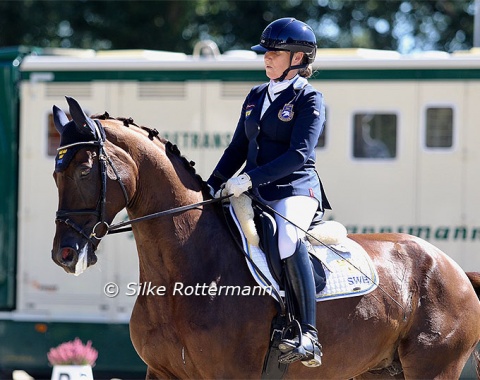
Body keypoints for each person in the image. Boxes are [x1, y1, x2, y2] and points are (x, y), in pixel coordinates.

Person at [207, 17, 331, 367]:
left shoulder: (310, 99)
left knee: (288, 237)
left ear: (297, 58)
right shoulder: (256, 95)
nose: (266, 58)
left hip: (296, 189)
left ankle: (308, 334)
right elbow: (236, 148)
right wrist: (212, 183)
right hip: (256, 189)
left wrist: (250, 178)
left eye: (274, 53)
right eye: (265, 53)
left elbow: (299, 155)